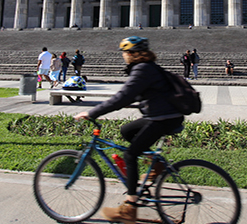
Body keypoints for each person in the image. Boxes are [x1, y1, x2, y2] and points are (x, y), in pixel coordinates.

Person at [74, 36, 184, 224]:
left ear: (134, 53)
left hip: (163, 118)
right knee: (127, 131)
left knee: (130, 156)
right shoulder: (146, 66)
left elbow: (123, 98)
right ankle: (156, 164)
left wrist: (93, 112)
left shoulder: (142, 69)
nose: (124, 56)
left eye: (126, 52)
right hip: (161, 115)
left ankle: (129, 207)